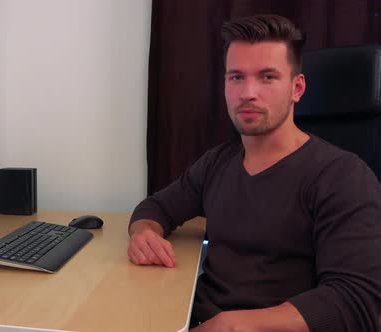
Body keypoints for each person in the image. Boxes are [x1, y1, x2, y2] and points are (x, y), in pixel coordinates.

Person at [128, 14, 381, 332]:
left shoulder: (343, 176)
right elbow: (157, 207)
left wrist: (232, 324)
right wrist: (143, 233)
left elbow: (356, 300)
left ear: (297, 87)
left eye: (267, 77)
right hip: (195, 317)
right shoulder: (217, 163)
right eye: (236, 77)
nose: (248, 92)